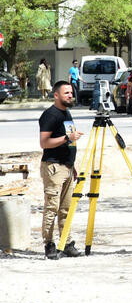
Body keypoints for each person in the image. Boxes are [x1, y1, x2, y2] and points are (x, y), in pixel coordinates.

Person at [38, 81, 84, 259]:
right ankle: (49, 244)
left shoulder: (67, 113)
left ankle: (66, 242)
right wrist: (67, 138)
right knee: (52, 207)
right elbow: (44, 143)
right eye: (66, 93)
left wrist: (72, 165)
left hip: (67, 166)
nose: (70, 95)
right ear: (56, 95)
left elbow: (70, 142)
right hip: (53, 166)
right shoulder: (50, 115)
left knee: (66, 208)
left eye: (71, 92)